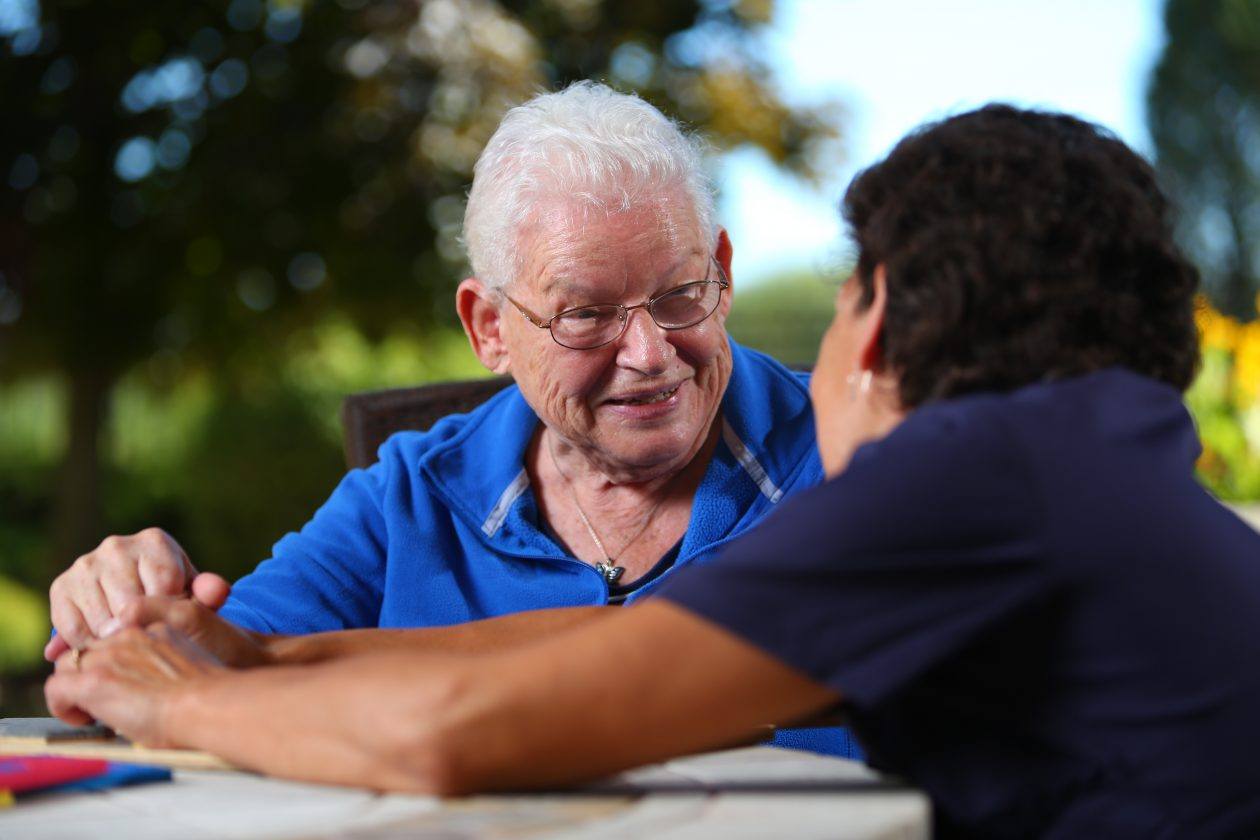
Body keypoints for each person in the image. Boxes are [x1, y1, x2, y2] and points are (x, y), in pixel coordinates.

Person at [48, 104, 1260, 838]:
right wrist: (258, 654)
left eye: (688, 294)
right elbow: (650, 645)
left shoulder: (973, 480)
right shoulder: (1090, 456)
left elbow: (461, 733)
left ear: (875, 322)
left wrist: (183, 702)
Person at [44, 82, 853, 755]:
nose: (648, 351)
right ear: (489, 328)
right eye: (585, 315)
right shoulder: (411, 494)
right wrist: (130, 611)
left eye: (680, 293)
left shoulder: (857, 449)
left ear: (723, 271)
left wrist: (273, 662)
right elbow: (197, 671)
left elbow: (687, 654)